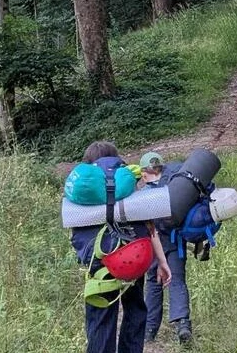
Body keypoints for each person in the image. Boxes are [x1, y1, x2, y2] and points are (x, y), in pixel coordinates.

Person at [71, 141, 172, 353]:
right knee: (135, 308)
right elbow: (149, 225)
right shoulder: (128, 181)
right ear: (116, 159)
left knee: (101, 315)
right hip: (132, 254)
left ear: (89, 162)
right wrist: (162, 262)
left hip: (100, 260)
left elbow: (76, 227)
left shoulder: (83, 187)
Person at [134, 151, 194, 345]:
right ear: (162, 167)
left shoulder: (143, 194)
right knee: (176, 280)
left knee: (153, 284)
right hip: (175, 241)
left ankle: (150, 330)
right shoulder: (174, 188)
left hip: (152, 245)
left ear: (144, 172)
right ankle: (183, 324)